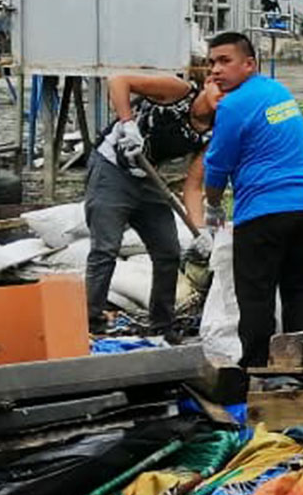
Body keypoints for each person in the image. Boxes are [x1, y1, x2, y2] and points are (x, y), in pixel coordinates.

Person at [201, 32, 303, 373]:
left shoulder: (234, 105)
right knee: (299, 290)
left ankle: (255, 371)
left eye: (225, 61)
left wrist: (212, 208)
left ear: (249, 63)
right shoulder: (275, 91)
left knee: (256, 296)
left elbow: (217, 166)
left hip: (263, 211)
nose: (215, 71)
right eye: (212, 63)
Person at [83, 68, 218, 333]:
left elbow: (192, 186)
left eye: (233, 95)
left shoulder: (214, 133)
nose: (224, 98)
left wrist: (200, 230)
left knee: (168, 251)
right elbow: (118, 79)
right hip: (112, 168)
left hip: (149, 178)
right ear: (209, 82)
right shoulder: (179, 92)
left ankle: (162, 326)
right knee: (106, 248)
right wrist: (127, 123)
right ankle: (91, 321)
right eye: (221, 90)